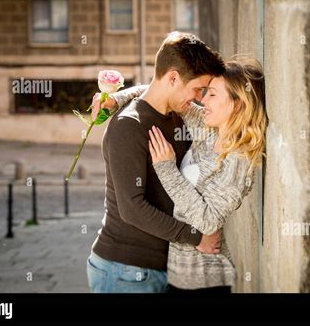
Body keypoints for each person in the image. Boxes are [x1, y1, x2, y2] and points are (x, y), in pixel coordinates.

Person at [104, 59, 268, 292]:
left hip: (203, 278)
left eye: (212, 94)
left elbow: (209, 222)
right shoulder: (206, 128)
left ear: (238, 104)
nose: (203, 100)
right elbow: (162, 94)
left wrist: (166, 169)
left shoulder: (239, 160)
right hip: (175, 272)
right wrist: (116, 99)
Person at [86, 32, 225, 293]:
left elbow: (151, 91)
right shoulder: (128, 126)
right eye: (197, 89)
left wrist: (119, 95)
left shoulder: (177, 115)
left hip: (163, 269)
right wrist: (196, 237)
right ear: (173, 77)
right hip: (124, 271)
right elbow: (132, 208)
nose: (198, 98)